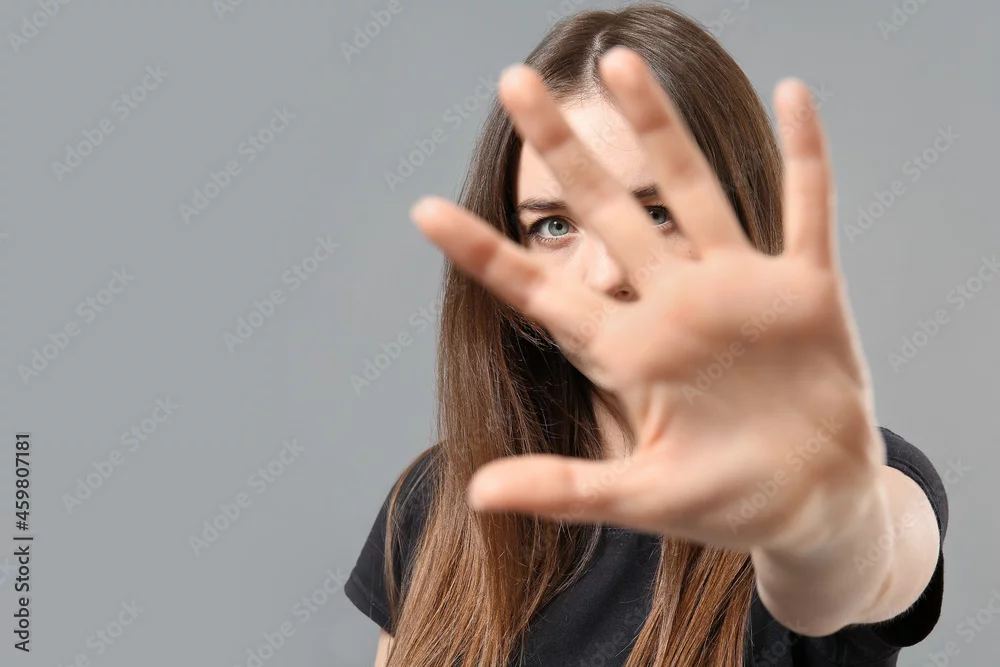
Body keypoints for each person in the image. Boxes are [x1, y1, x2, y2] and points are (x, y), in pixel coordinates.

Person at [343, 4, 949, 665]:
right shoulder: (433, 502)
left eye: (657, 213)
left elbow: (867, 554)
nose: (606, 273)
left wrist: (817, 528)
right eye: (554, 226)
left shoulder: (848, 475)